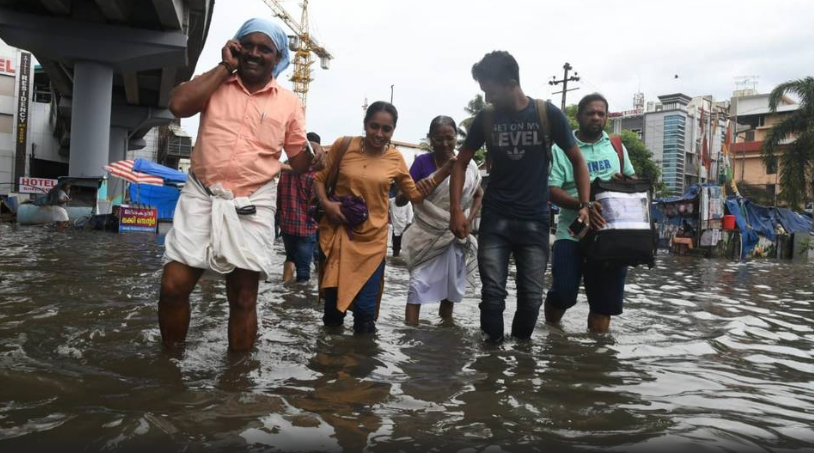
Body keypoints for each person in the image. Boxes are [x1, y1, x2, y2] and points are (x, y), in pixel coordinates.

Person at [158, 18, 323, 352]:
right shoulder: (215, 82)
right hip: (201, 195)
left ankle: (237, 380)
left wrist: (316, 155)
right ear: (235, 46)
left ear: (277, 59)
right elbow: (177, 105)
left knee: (244, 297)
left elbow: (299, 159)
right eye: (247, 45)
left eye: (265, 49)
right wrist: (223, 67)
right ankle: (170, 363)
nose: (254, 53)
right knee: (173, 286)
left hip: (254, 202)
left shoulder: (289, 103)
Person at [449, 51, 592, 342]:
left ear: (511, 83)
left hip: (535, 222)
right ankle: (490, 363)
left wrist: (585, 205)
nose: (487, 98)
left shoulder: (546, 113)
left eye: (490, 90)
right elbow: (461, 162)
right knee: (492, 295)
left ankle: (521, 360)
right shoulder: (486, 118)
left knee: (531, 299)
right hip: (495, 219)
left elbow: (578, 160)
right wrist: (456, 211)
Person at [316, 101, 451, 334]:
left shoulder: (396, 159)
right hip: (340, 237)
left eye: (386, 129)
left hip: (373, 242)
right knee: (332, 312)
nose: (379, 134)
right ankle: (330, 364)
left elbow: (414, 196)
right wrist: (327, 204)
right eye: (374, 126)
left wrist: (443, 173)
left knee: (366, 314)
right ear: (365, 124)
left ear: (393, 131)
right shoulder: (343, 145)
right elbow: (319, 179)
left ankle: (361, 363)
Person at [544, 93, 636, 333]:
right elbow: (551, 190)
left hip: (611, 237)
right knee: (563, 293)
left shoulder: (616, 147)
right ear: (579, 116)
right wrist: (582, 205)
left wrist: (626, 182)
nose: (596, 117)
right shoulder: (561, 149)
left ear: (606, 117)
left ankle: (596, 360)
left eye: (601, 113)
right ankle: (551, 334)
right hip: (571, 232)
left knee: (604, 306)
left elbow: (633, 181)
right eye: (590, 113)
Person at [399, 116, 483, 326]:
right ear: (430, 139)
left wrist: (468, 219)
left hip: (453, 236)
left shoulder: (467, 165)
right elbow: (401, 199)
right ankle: (411, 334)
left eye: (450, 138)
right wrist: (425, 184)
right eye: (438, 139)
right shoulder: (422, 163)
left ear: (456, 138)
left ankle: (446, 333)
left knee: (449, 290)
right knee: (416, 287)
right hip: (425, 236)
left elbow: (478, 194)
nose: (445, 143)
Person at [278, 131, 325, 283]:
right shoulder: (314, 175)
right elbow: (316, 204)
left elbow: (278, 197)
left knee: (290, 258)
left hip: (287, 225)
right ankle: (299, 302)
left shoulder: (286, 169)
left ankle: (285, 290)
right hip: (306, 227)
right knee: (304, 270)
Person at [388, 185, 413, 257]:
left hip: (406, 230)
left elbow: (409, 221)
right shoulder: (391, 202)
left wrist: (404, 234)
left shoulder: (408, 204)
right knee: (395, 251)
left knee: (406, 253)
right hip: (395, 231)